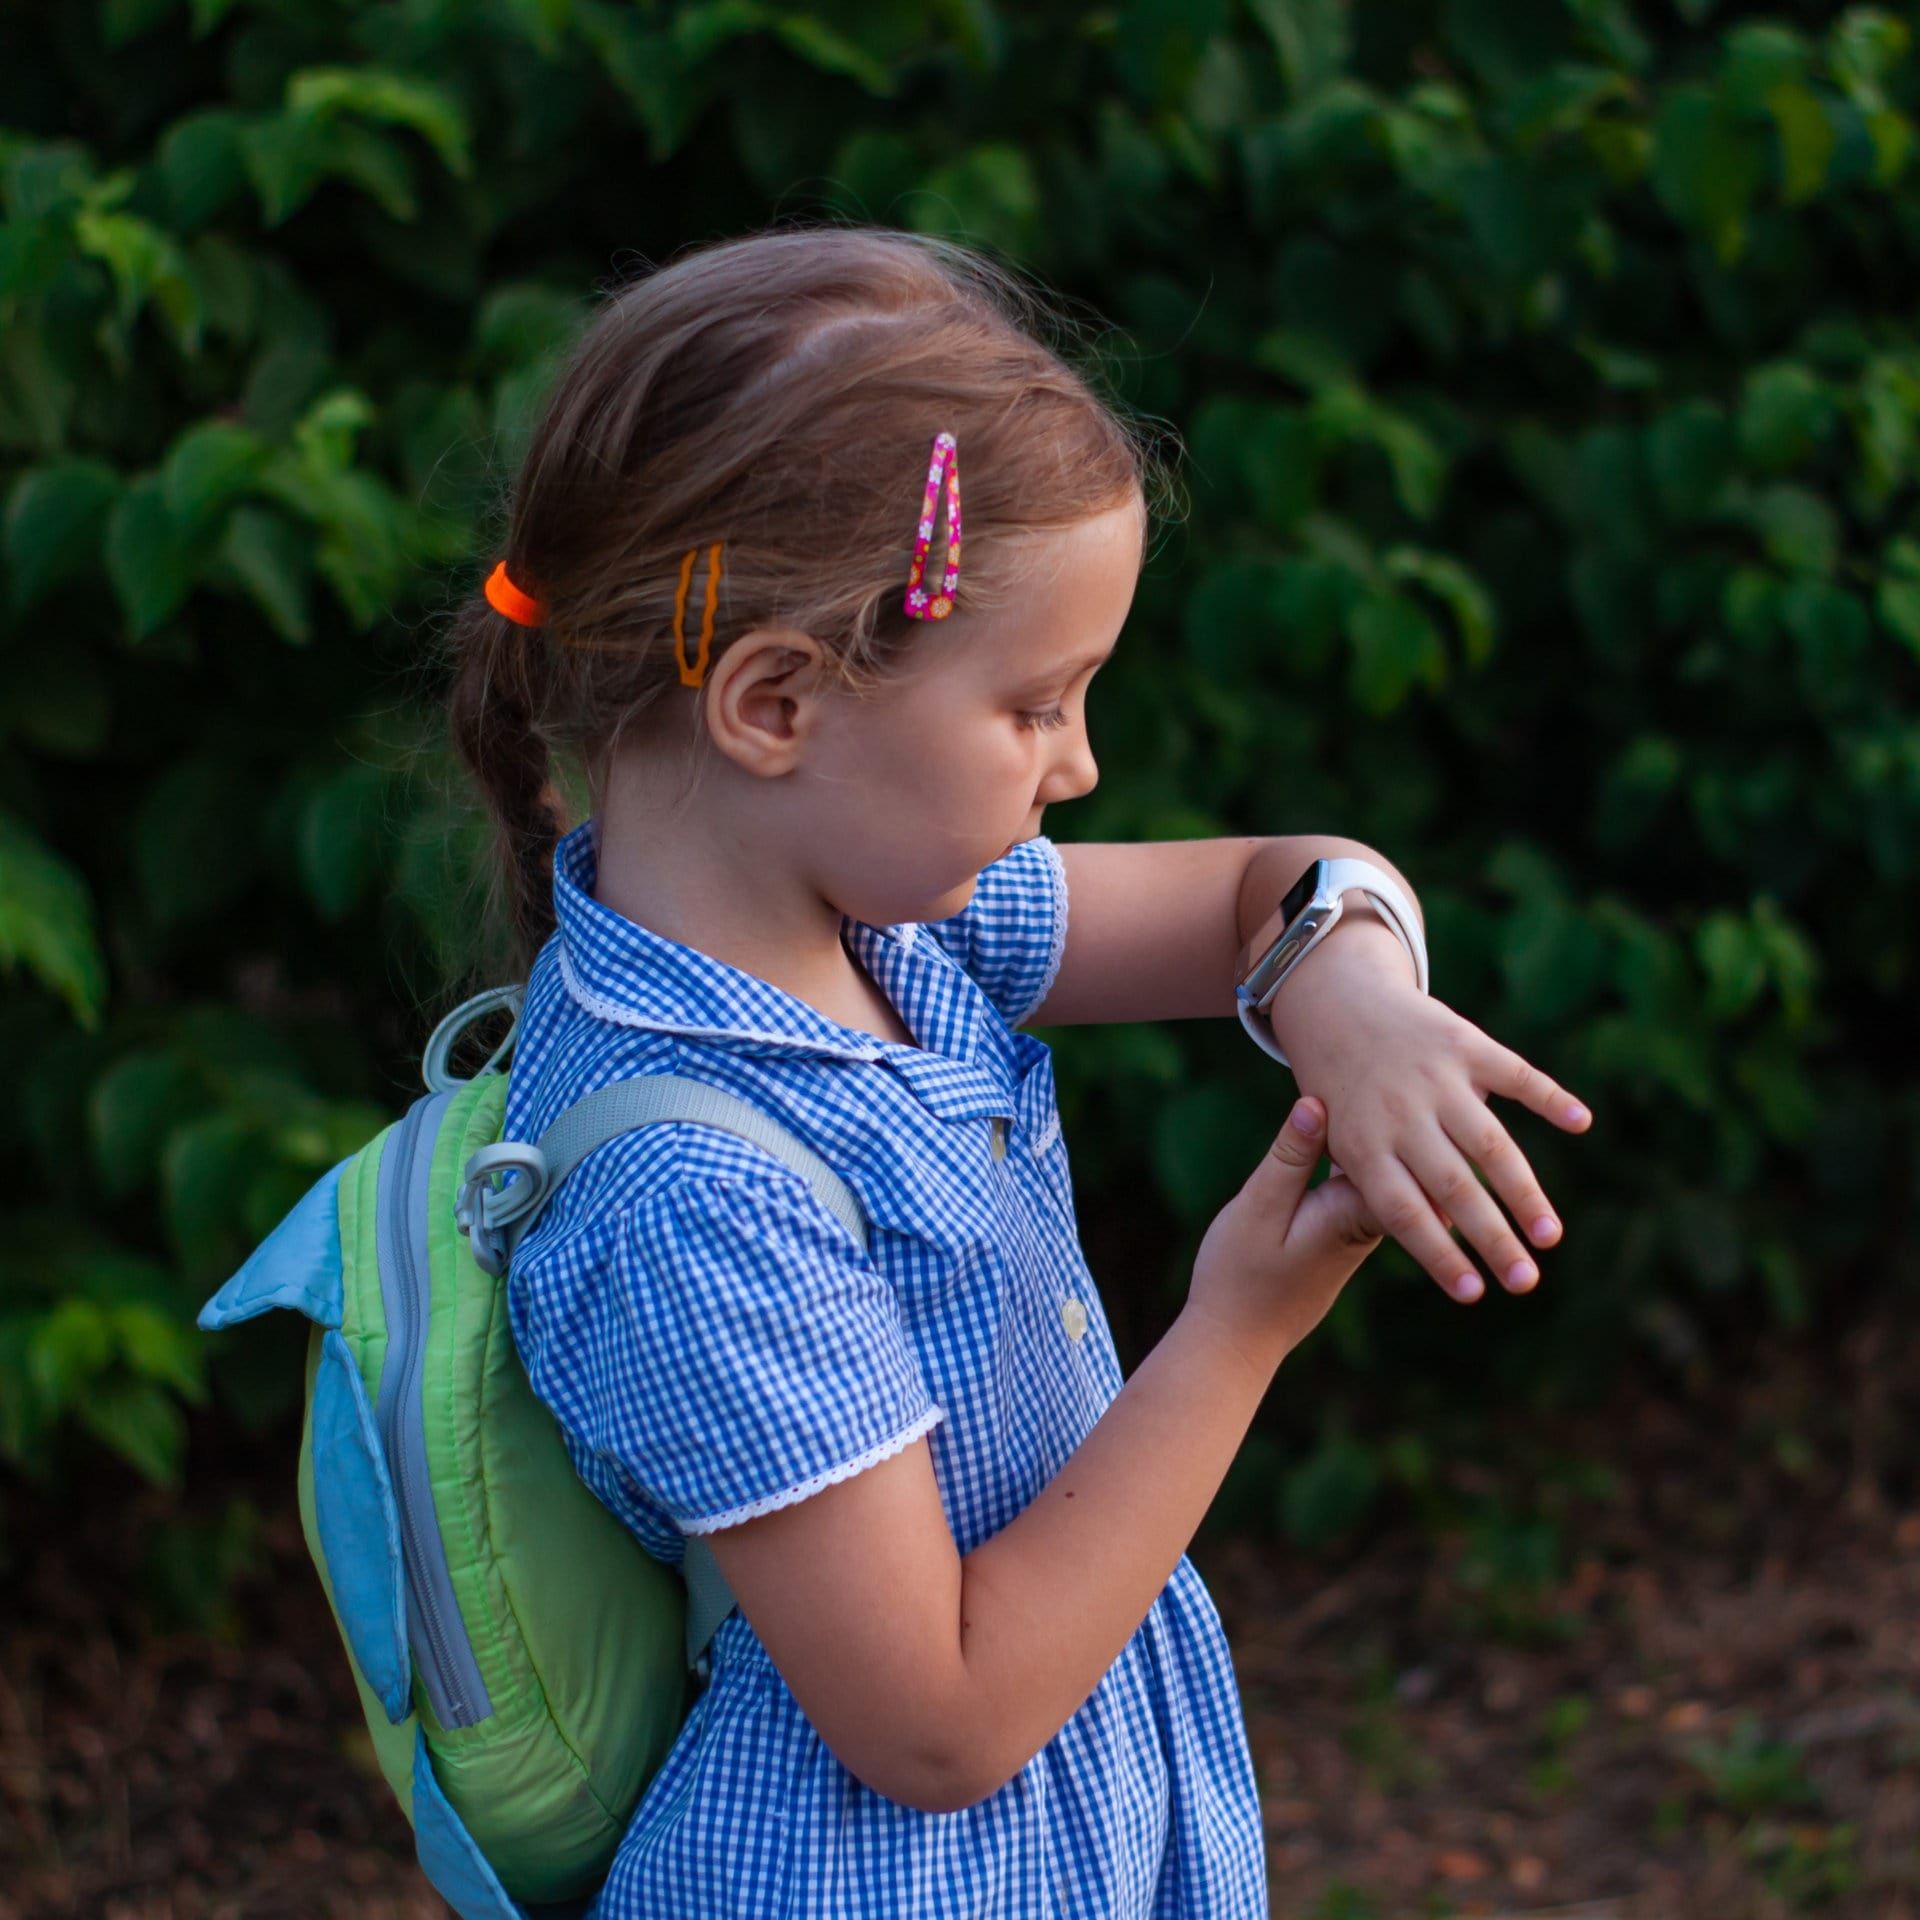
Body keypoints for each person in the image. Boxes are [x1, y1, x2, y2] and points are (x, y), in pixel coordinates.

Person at [440, 224, 1591, 1919]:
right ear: (776, 703)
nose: (1082, 763)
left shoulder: (889, 928)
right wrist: (1238, 1331)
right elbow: (943, 1721)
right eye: (1037, 705)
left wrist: (1352, 993)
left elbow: (1259, 887)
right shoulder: (695, 1184)